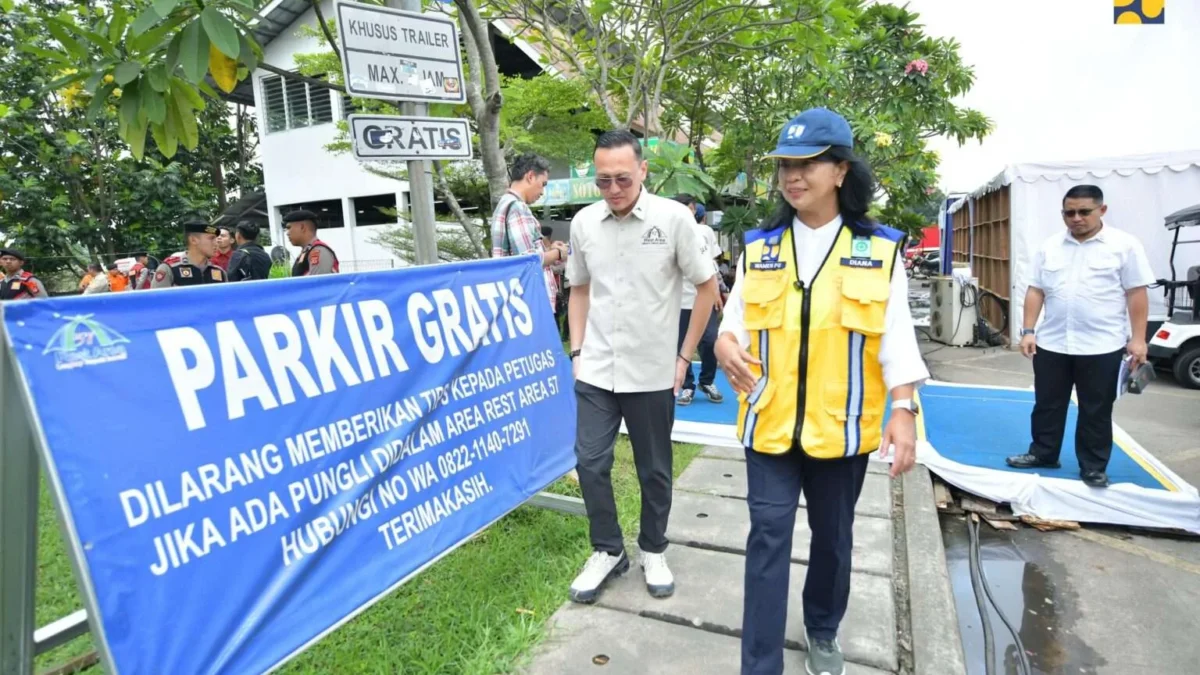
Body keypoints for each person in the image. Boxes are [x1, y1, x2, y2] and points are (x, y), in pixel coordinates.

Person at [714, 108, 926, 675]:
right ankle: (760, 664)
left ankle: (823, 628)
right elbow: (733, 325)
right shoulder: (759, 248)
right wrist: (724, 346)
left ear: (841, 171)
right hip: (770, 423)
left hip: (842, 426)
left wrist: (903, 410)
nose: (793, 176)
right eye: (786, 165)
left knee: (833, 540)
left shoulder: (879, 250)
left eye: (807, 164)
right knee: (768, 538)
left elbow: (897, 339)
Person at [565, 130, 719, 604]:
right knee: (590, 462)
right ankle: (608, 550)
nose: (613, 189)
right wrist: (577, 352)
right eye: (603, 180)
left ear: (643, 171)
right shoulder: (584, 223)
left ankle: (653, 548)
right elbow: (579, 289)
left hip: (652, 371)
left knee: (654, 469)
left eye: (623, 179)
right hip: (596, 368)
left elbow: (708, 288)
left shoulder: (673, 220)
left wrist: (684, 357)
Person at [1005, 185, 1155, 488]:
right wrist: (1028, 330)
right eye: (1069, 213)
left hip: (1102, 345)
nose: (1076, 218)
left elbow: (1136, 293)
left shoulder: (1124, 246)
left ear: (1102, 210)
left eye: (1084, 212)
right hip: (1053, 342)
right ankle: (1043, 453)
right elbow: (1036, 290)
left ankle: (1093, 467)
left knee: (1096, 409)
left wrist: (1139, 339)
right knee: (1047, 404)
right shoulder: (1049, 247)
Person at [491, 152, 567, 310]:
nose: (542, 192)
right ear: (531, 176)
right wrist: (559, 253)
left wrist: (549, 250)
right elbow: (528, 261)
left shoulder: (505, 204)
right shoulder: (517, 208)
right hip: (529, 303)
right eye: (543, 184)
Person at [672, 194, 724, 406]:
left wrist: (717, 290)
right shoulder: (669, 232)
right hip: (678, 300)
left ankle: (707, 381)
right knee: (680, 344)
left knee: (710, 340)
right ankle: (687, 386)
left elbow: (711, 264)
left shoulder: (705, 232)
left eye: (686, 208)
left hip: (704, 297)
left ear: (693, 209)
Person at [150, 220, 227, 288]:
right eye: (211, 238)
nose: (216, 243)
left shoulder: (219, 272)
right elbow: (157, 299)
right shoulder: (170, 269)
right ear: (193, 240)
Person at [285, 210, 339, 276]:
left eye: (289, 228)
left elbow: (318, 281)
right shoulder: (307, 251)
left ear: (302, 227)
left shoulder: (318, 250)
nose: (287, 233)